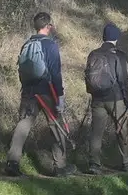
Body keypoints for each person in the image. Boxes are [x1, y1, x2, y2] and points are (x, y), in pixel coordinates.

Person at [5, 12, 75, 177]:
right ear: (48, 26)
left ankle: (12, 162)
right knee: (56, 126)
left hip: (28, 92)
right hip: (47, 92)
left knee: (23, 125)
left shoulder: (27, 44)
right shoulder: (50, 46)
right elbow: (55, 73)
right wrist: (60, 96)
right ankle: (60, 166)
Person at [84, 23, 128, 174]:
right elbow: (123, 80)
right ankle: (126, 162)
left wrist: (92, 93)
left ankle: (94, 163)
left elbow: (87, 76)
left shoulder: (93, 54)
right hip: (116, 99)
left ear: (103, 37)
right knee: (122, 130)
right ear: (116, 38)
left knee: (96, 132)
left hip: (97, 99)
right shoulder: (119, 55)